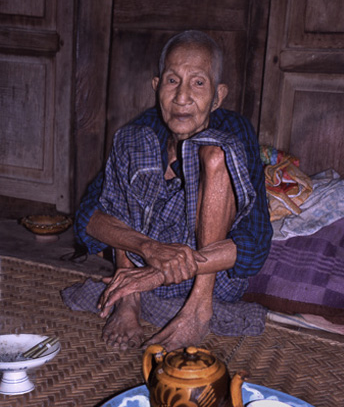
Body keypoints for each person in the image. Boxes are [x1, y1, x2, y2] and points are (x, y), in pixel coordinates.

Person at [68, 30, 272, 351]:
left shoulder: (236, 130)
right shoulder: (141, 131)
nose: (182, 97)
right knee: (132, 143)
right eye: (173, 81)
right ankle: (129, 301)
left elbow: (255, 246)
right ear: (157, 86)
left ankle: (197, 311)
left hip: (211, 278)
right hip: (137, 265)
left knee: (216, 154)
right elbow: (88, 220)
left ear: (218, 97)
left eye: (198, 83)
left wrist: (157, 274)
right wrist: (150, 250)